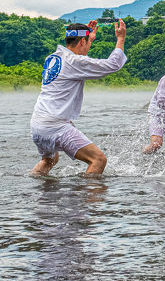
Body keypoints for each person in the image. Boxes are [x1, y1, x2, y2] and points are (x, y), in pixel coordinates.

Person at [30, 20, 127, 176]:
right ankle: (85, 198)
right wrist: (121, 38)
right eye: (87, 43)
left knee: (49, 161)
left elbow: (78, 61)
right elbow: (113, 64)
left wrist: (89, 38)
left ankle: (35, 188)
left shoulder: (53, 58)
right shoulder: (74, 61)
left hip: (37, 124)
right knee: (98, 160)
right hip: (55, 126)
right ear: (82, 41)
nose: (88, 46)